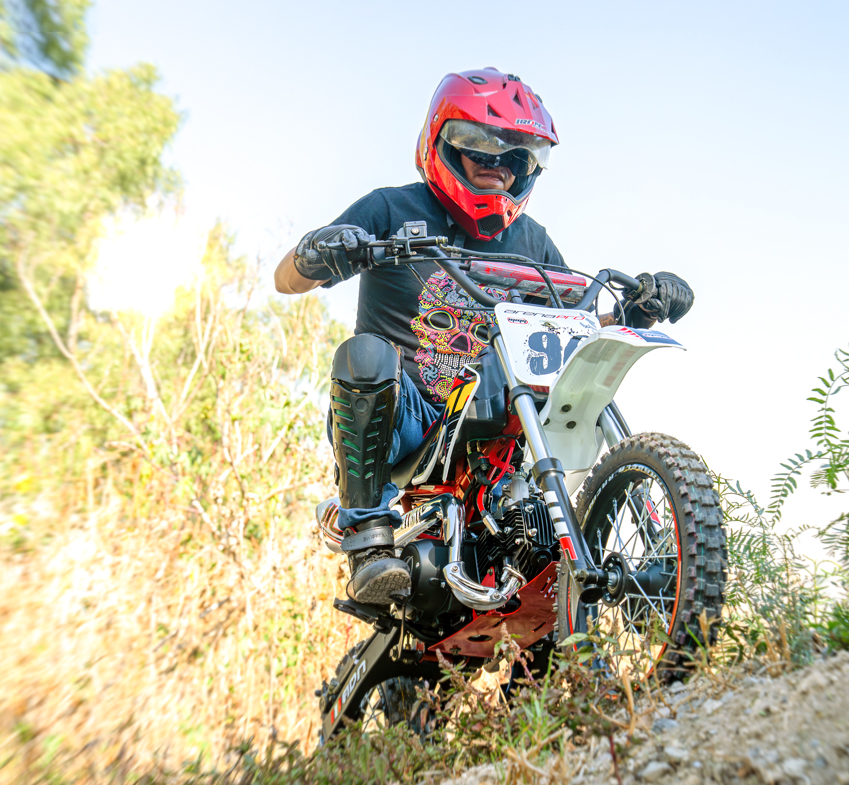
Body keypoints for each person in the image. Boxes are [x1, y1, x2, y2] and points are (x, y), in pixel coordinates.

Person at [275, 68, 693, 606]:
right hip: (406, 420)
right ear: (444, 143)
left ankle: (647, 558)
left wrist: (636, 310)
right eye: (482, 146)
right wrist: (319, 250)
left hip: (492, 415)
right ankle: (367, 538)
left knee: (560, 368)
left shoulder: (532, 241)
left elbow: (573, 327)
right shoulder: (390, 208)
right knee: (364, 355)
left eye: (518, 156)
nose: (500, 166)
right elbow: (287, 279)